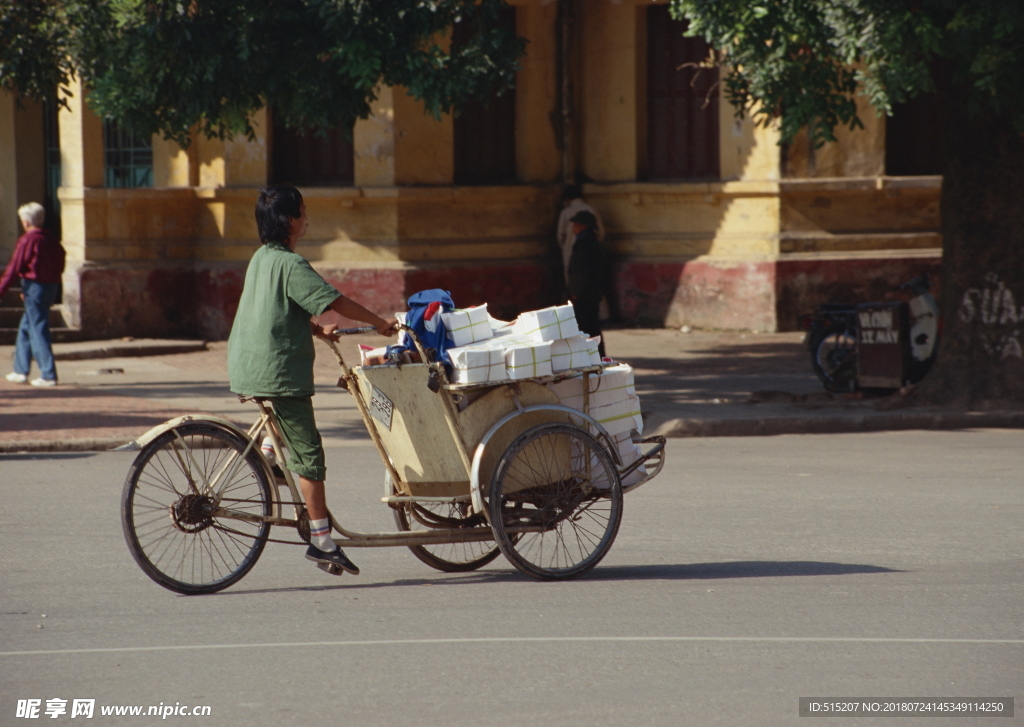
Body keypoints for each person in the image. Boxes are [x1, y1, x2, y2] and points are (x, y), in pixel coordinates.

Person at [228, 185, 397, 576]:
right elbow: (334, 299)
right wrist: (380, 323)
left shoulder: (262, 259)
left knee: (286, 432)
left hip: (248, 363)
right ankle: (322, 541)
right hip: (279, 371)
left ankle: (269, 455)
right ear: (290, 221)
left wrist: (317, 331)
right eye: (303, 213)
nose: (307, 219)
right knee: (310, 456)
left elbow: (277, 309)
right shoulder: (292, 264)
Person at [1, 202, 66, 387]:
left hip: (35, 286)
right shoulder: (51, 239)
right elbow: (60, 260)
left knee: (38, 328)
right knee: (26, 327)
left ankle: (48, 374)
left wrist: (2, 289)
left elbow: (14, 267)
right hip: (49, 286)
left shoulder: (28, 240)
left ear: (27, 222)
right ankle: (20, 370)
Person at [567, 210, 607, 358]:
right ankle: (596, 355)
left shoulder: (585, 244)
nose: (573, 228)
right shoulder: (590, 242)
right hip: (592, 292)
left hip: (585, 294)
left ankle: (595, 355)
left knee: (587, 327)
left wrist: (576, 292)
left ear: (582, 226)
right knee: (590, 326)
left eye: (575, 225)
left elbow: (581, 272)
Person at [555, 185, 605, 292]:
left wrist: (565, 247)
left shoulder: (566, 212)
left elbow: (560, 236)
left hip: (570, 251)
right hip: (592, 252)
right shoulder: (591, 209)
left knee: (574, 284)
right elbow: (601, 233)